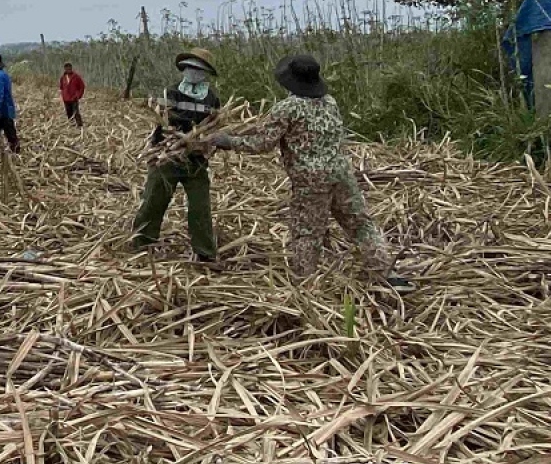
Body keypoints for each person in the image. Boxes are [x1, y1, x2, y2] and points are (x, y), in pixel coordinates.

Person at [211, 54, 413, 290]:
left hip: (311, 181)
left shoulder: (287, 108)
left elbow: (261, 144)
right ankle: (386, 274)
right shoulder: (330, 102)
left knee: (307, 234)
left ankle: (303, 287)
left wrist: (227, 141)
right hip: (341, 174)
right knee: (360, 225)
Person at [131, 48, 221, 262]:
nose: (192, 72)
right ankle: (141, 244)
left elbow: (214, 125)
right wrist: (182, 137)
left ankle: (205, 253)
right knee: (154, 200)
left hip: (196, 161)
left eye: (197, 69)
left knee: (200, 208)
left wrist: (203, 142)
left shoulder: (212, 98)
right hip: (167, 157)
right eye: (189, 68)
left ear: (205, 73)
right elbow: (165, 121)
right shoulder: (171, 92)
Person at [59, 62, 86, 126]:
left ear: (71, 68)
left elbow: (82, 86)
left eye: (69, 67)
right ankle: (71, 125)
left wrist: (79, 95)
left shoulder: (76, 77)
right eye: (66, 67)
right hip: (66, 99)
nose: (68, 69)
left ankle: (80, 126)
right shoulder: (62, 78)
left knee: (76, 113)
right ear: (65, 69)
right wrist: (62, 96)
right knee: (69, 113)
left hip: (74, 98)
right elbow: (61, 87)